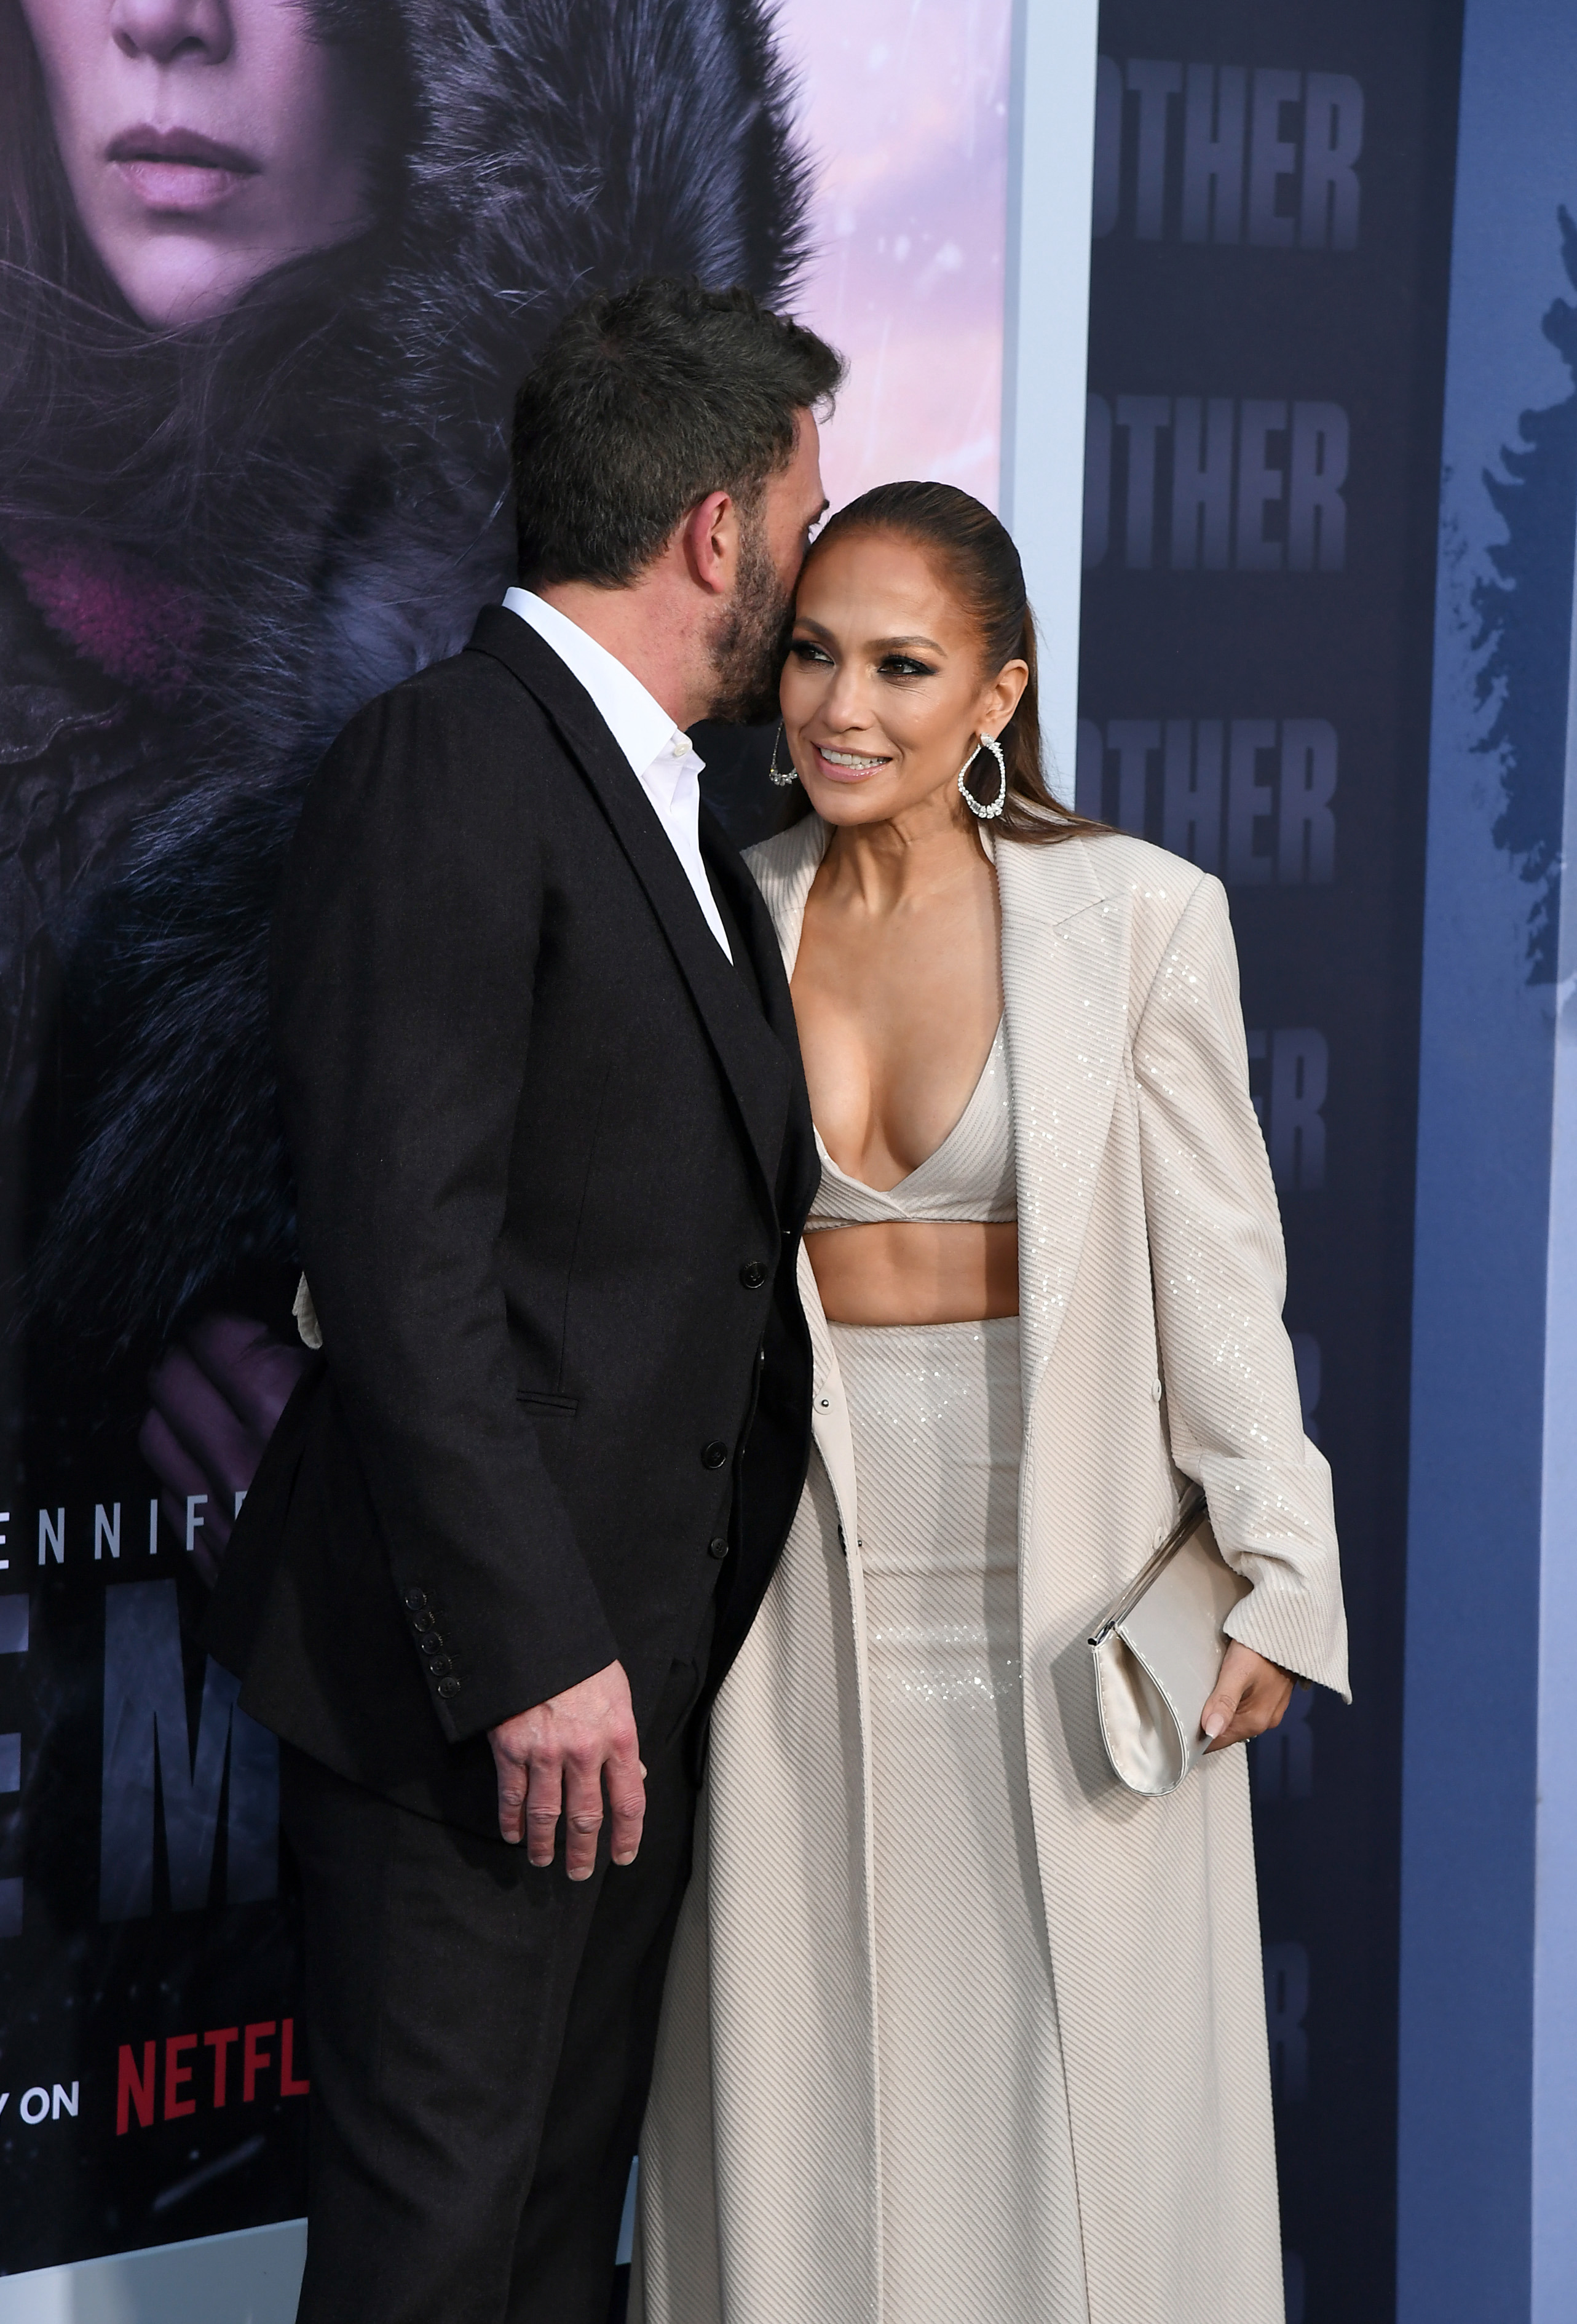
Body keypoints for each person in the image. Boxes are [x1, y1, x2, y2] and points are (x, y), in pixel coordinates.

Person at [632, 483, 1350, 2324]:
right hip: (788, 1596)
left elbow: (1224, 1275)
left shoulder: (1136, 918)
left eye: (902, 665)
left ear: (998, 698)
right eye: (811, 653)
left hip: (1072, 1590)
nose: (840, 707)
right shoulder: (720, 909)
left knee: (1071, 2126)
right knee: (806, 2115)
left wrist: (1276, 1559)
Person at [206, 279, 841, 2324]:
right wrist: (534, 1653)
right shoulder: (452, 762)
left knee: (555, 2248)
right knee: (437, 2257)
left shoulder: (676, 810)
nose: (813, 586)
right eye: (805, 520)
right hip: (474, 1704)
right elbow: (401, 1263)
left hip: (616, 1701)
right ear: (718, 533)